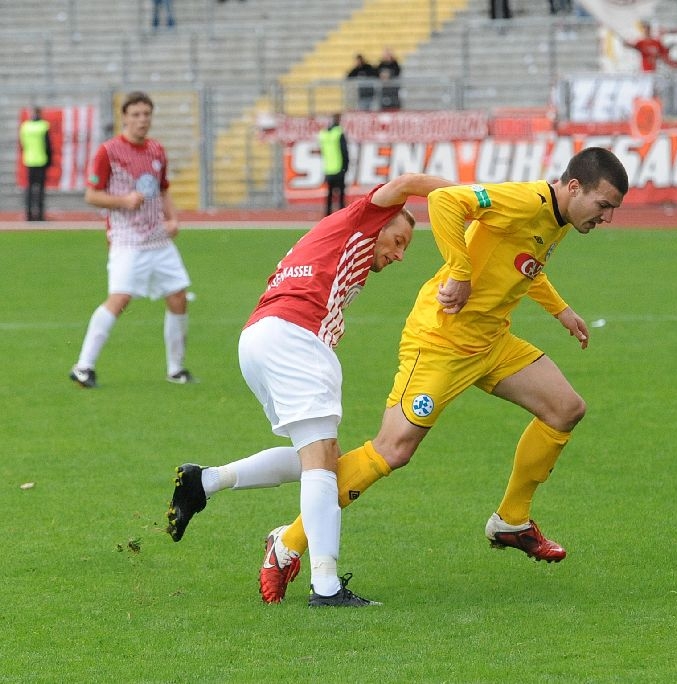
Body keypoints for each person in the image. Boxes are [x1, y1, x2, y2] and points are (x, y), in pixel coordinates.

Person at [164, 147, 629, 604]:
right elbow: (447, 202)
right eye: (603, 205)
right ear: (573, 187)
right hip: (441, 340)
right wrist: (462, 273)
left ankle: (512, 520)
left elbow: (521, 264)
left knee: (565, 409)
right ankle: (288, 545)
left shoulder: (557, 218)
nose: (606, 218)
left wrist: (561, 310)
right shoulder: (523, 199)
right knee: (388, 451)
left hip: (491, 341)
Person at [166, 172, 454, 607]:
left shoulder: (332, 243)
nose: (398, 255)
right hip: (294, 338)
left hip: (260, 338)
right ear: (380, 222)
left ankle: (204, 482)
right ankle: (325, 586)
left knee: (323, 462)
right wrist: (472, 196)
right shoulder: (360, 218)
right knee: (321, 463)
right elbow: (406, 183)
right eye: (397, 241)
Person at [70, 91, 194, 389]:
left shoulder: (156, 150)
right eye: (136, 114)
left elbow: (163, 189)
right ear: (124, 117)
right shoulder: (109, 152)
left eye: (146, 114)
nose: (142, 120)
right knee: (120, 297)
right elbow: (91, 195)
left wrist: (173, 218)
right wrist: (124, 201)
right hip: (127, 239)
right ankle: (83, 366)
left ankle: (175, 369)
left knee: (178, 296)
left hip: (158, 238)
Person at [19, 106, 52, 222]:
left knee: (29, 189)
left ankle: (28, 214)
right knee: (41, 190)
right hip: (41, 160)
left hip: (29, 160)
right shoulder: (43, 126)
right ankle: (40, 215)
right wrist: (49, 160)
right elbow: (48, 145)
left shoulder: (25, 127)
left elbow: (22, 143)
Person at [318, 112, 349, 214]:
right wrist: (346, 166)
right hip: (339, 167)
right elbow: (344, 151)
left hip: (328, 168)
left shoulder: (323, 134)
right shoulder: (339, 133)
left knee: (330, 194)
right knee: (340, 195)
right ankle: (342, 215)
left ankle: (327, 214)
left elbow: (323, 151)